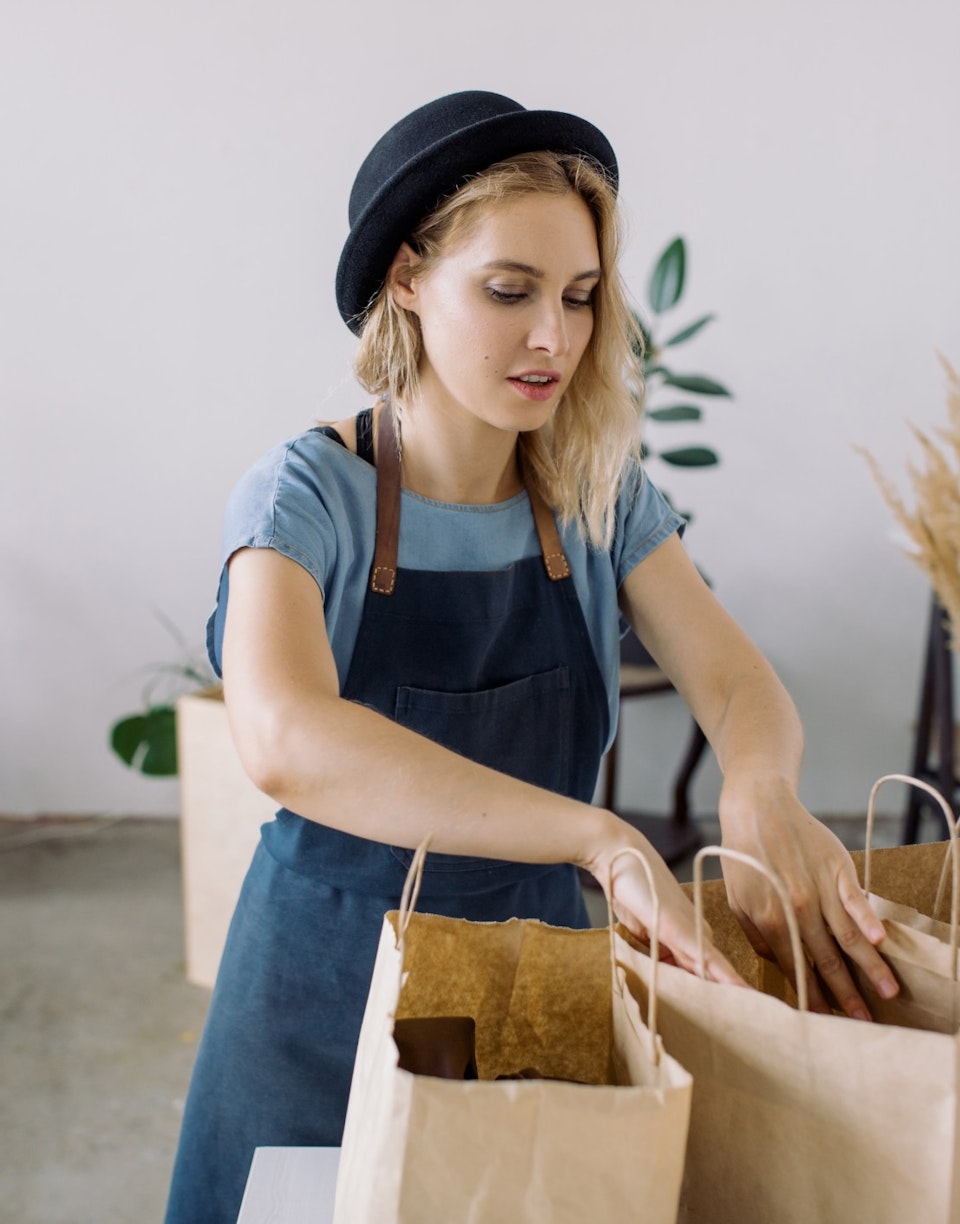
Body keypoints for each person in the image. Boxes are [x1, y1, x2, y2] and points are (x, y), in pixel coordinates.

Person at [163, 90, 898, 1223]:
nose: (552, 336)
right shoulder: (306, 498)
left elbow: (737, 681)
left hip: (538, 995)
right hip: (321, 1006)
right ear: (406, 277)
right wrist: (597, 838)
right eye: (509, 291)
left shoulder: (596, 494)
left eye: (580, 297)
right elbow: (283, 738)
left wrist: (758, 781)